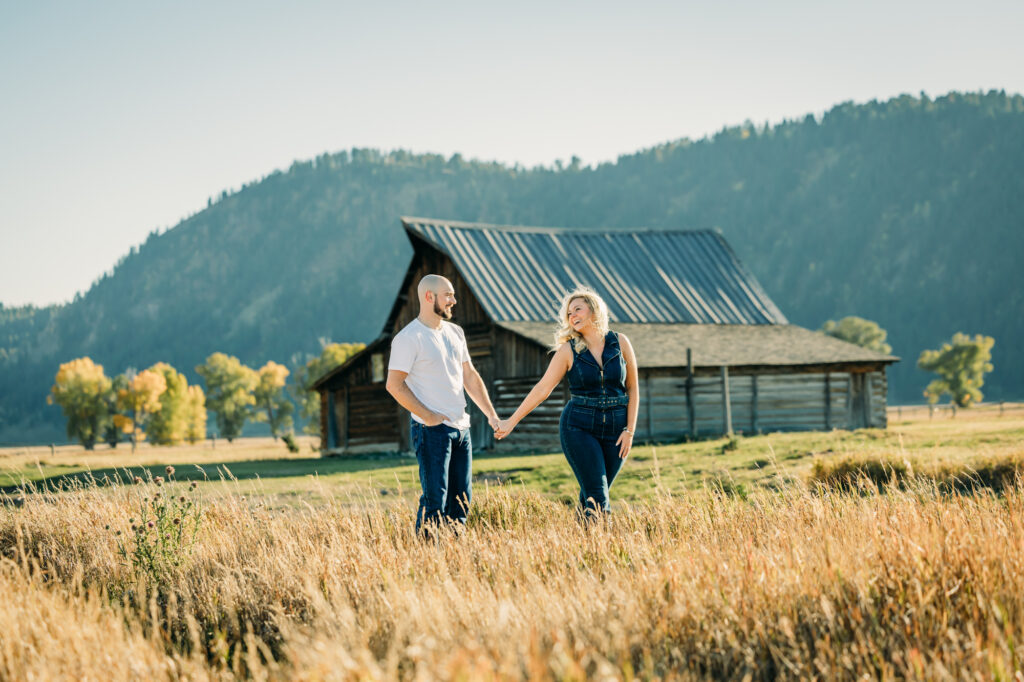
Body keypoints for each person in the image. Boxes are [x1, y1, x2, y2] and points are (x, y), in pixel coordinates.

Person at [494, 287, 639, 517]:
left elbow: (632, 387)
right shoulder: (568, 350)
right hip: (579, 427)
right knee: (598, 498)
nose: (572, 316)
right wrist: (512, 421)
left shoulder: (620, 342)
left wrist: (629, 430)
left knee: (592, 495)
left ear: (594, 311)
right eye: (569, 313)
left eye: (577, 309)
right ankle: (604, 547)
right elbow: (543, 388)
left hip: (616, 429)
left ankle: (579, 545)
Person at [386, 274, 499, 534]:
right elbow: (394, 385)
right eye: (448, 295)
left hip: (461, 429)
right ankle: (426, 560)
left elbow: (469, 376)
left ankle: (451, 558)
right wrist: (429, 416)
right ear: (429, 297)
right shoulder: (409, 337)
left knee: (461, 502)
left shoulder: (455, 332)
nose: (454, 300)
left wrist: (491, 415)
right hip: (431, 431)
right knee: (435, 501)